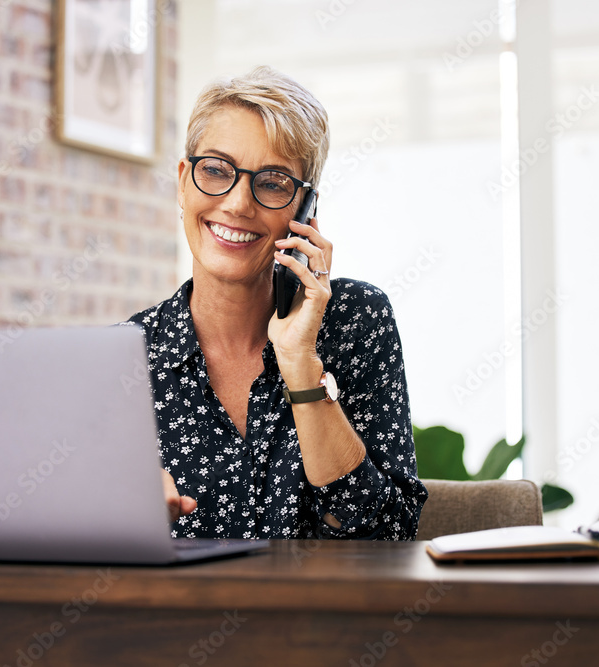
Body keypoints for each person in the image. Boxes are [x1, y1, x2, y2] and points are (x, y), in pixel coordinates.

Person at [125, 66, 426, 540]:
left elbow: (387, 536)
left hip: (323, 615)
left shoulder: (355, 320)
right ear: (184, 181)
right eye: (216, 171)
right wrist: (129, 522)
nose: (239, 203)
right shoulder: (126, 353)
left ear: (306, 210)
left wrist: (299, 361)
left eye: (271, 182)